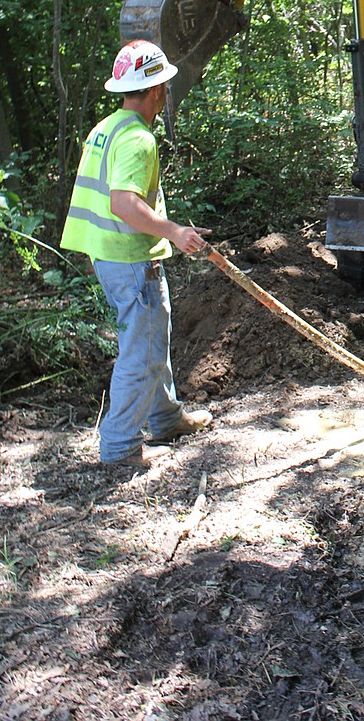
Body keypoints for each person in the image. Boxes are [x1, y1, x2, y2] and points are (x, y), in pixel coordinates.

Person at [61, 39, 213, 468]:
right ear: (158, 90)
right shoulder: (138, 140)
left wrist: (97, 255)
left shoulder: (104, 129)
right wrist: (175, 231)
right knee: (141, 350)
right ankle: (120, 446)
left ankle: (165, 418)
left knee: (152, 337)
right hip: (130, 259)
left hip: (110, 257)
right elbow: (123, 204)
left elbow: (96, 202)